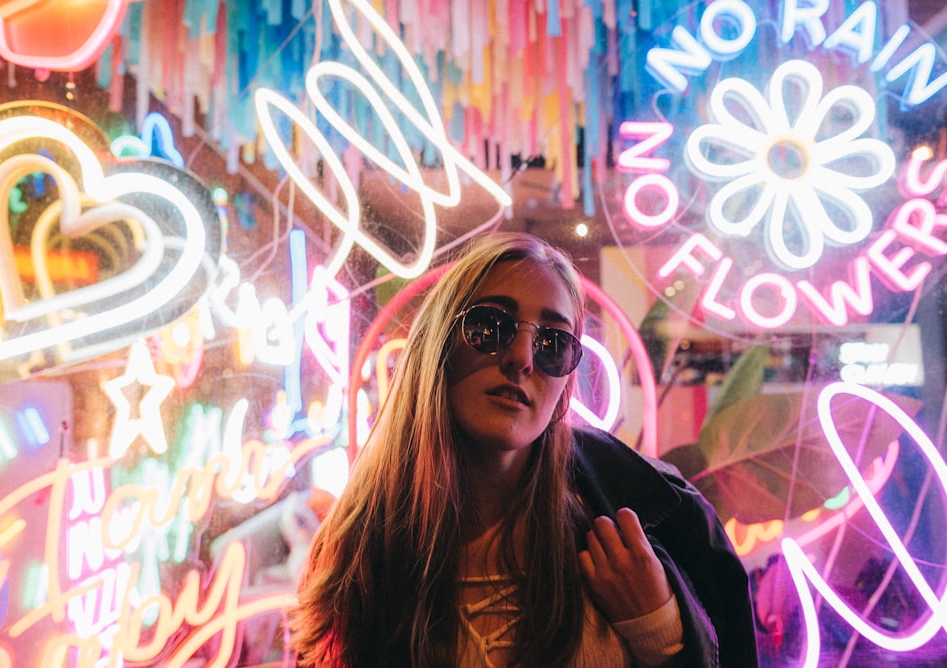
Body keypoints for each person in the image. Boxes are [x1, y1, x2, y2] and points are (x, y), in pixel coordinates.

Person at [289, 232, 758, 667]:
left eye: (554, 343)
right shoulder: (357, 550)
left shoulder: (625, 533)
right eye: (490, 326)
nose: (522, 357)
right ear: (438, 346)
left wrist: (661, 631)